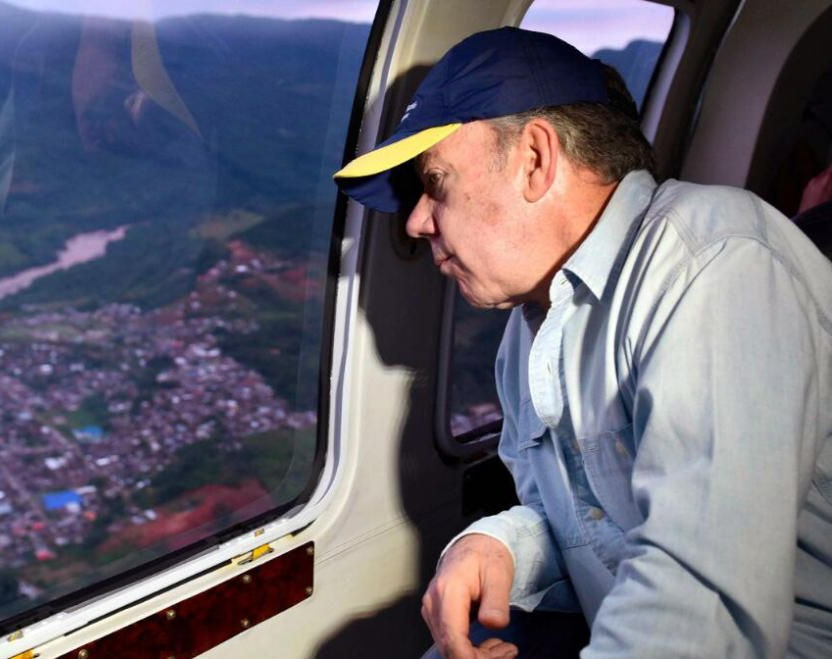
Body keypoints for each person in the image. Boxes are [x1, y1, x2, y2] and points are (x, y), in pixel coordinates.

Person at [334, 27, 832, 658]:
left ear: (536, 159)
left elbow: (699, 612)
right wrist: (501, 545)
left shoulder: (713, 262)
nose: (414, 220)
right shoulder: (527, 335)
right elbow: (601, 526)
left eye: (434, 182)